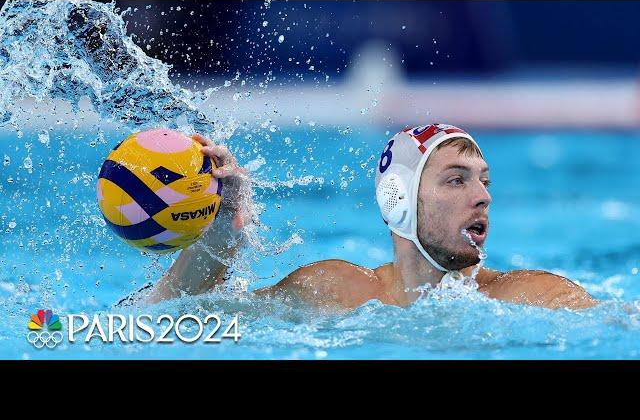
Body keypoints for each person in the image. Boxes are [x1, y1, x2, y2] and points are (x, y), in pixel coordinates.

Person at [119, 124, 597, 311]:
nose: (483, 197)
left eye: (485, 181)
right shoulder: (334, 290)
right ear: (398, 200)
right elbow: (167, 316)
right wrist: (223, 231)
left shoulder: (540, 297)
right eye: (456, 180)